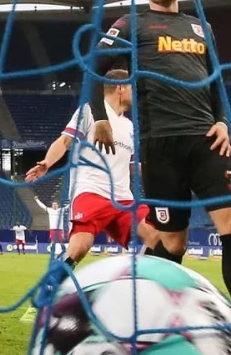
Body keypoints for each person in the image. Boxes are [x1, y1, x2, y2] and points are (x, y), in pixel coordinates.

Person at [91, 0, 231, 355]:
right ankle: (137, 316)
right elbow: (93, 67)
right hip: (160, 146)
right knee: (173, 243)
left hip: (207, 141)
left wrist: (223, 121)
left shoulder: (200, 27)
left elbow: (215, 80)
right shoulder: (130, 24)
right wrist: (100, 118)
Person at [20, 70, 158, 322]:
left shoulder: (129, 126)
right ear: (120, 88)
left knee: (156, 237)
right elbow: (64, 141)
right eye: (132, 87)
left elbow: (131, 164)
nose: (135, 92)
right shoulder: (89, 111)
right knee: (80, 247)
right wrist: (47, 163)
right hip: (91, 192)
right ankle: (42, 301)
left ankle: (136, 298)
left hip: (123, 198)